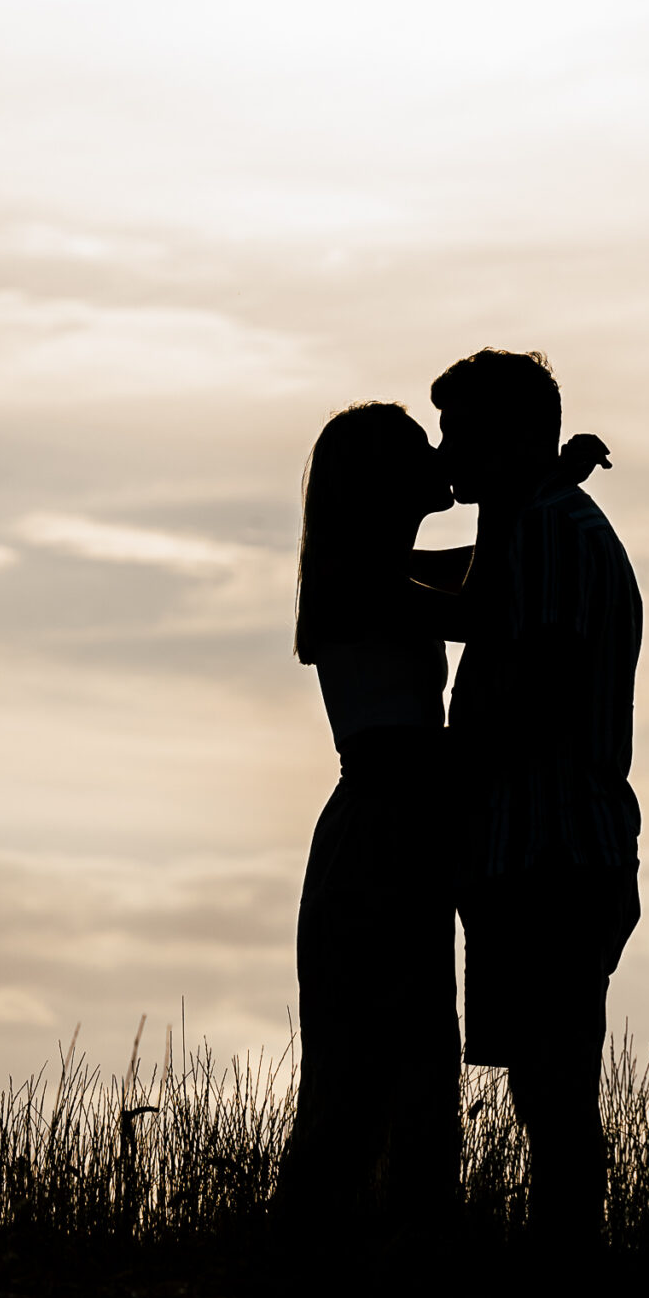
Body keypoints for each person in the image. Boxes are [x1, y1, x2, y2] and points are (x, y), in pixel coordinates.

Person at [428, 349, 640, 1248]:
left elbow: (544, 684)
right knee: (546, 1090)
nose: (447, 454)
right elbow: (475, 588)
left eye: (461, 432)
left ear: (516, 436)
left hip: (551, 846)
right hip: (537, 847)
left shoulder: (553, 530)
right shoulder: (540, 525)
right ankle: (566, 1270)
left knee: (553, 1090)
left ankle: (571, 1274)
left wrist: (443, 768)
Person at [279, 401, 463, 1247]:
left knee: (400, 1058)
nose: (440, 455)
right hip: (385, 832)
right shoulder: (366, 582)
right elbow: (476, 598)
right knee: (382, 1062)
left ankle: (352, 1259)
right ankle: (330, 1259)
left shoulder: (377, 570)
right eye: (421, 447)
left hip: (395, 829)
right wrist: (525, 497)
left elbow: (472, 571)